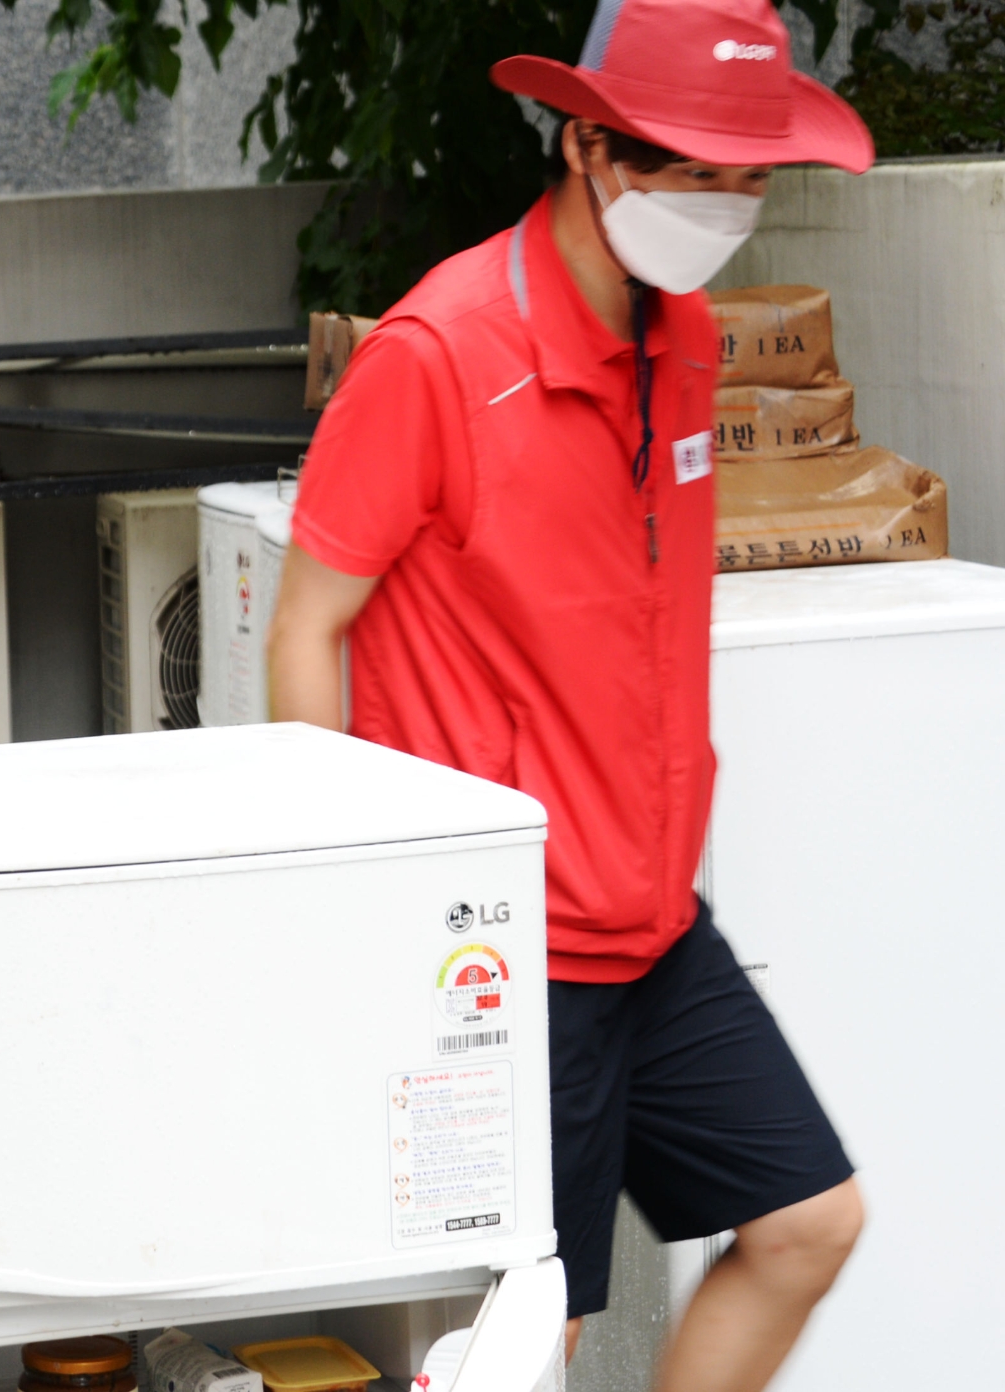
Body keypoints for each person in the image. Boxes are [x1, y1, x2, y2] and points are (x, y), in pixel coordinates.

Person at [267, 4, 870, 1390]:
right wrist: (341, 909)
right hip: (504, 940)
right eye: (689, 167)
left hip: (651, 917)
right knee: (526, 1337)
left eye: (746, 172)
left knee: (806, 1222)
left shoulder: (687, 341)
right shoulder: (437, 355)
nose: (724, 202)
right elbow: (308, 626)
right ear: (587, 143)